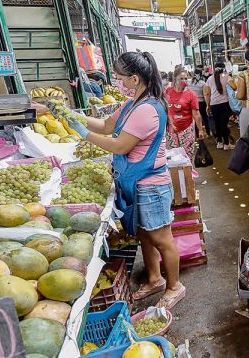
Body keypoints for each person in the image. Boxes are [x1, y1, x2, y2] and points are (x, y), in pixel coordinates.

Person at [65, 51, 185, 308]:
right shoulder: (132, 105)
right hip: (135, 183)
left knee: (162, 238)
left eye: (120, 78)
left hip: (151, 186)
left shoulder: (147, 110)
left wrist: (83, 133)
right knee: (144, 234)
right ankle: (155, 279)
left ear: (134, 79)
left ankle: (175, 285)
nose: (118, 82)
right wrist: (74, 117)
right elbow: (107, 126)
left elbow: (119, 145)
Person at [165, 68, 206, 162]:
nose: (184, 81)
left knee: (187, 156)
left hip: (186, 130)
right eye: (181, 79)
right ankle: (176, 176)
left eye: (185, 78)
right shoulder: (167, 91)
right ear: (175, 79)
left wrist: (200, 130)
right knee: (172, 158)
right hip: (170, 130)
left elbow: (196, 114)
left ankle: (188, 176)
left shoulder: (191, 94)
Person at [205, 63, 234, 150]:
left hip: (213, 104)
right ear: (224, 68)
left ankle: (219, 143)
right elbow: (234, 86)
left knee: (217, 124)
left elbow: (207, 93)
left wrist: (208, 105)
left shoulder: (209, 78)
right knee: (224, 124)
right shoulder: (226, 76)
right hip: (224, 104)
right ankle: (226, 144)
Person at [187, 67, 211, 137]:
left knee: (195, 118)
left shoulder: (188, 83)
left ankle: (197, 134)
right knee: (205, 117)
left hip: (192, 103)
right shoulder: (202, 83)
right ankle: (208, 132)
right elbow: (205, 94)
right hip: (201, 102)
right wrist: (207, 105)